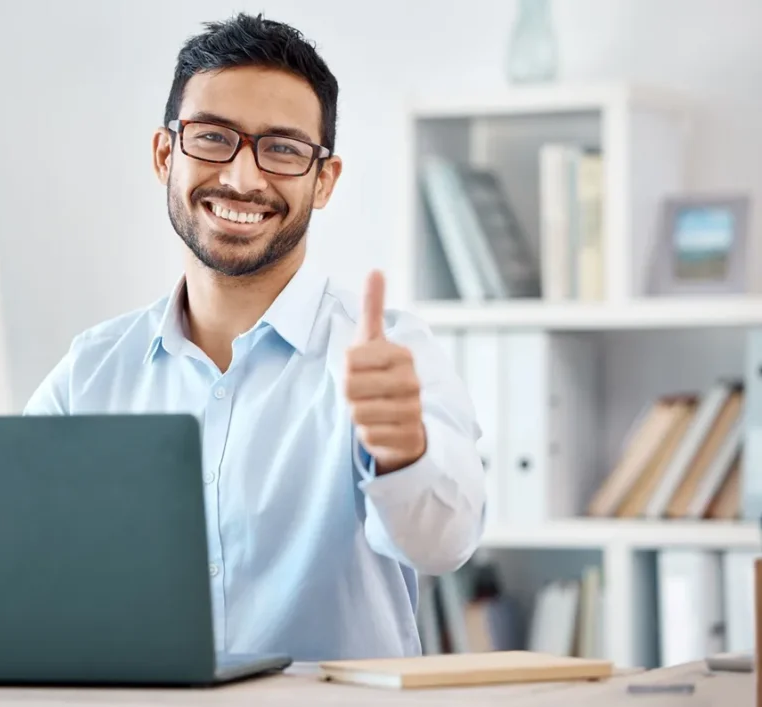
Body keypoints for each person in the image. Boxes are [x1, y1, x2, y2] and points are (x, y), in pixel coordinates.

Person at [24, 13, 485, 661]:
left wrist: (402, 451)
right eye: (213, 138)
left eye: (284, 149)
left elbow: (446, 543)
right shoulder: (92, 372)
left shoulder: (389, 356)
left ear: (323, 179)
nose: (243, 179)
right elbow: (16, 552)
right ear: (165, 154)